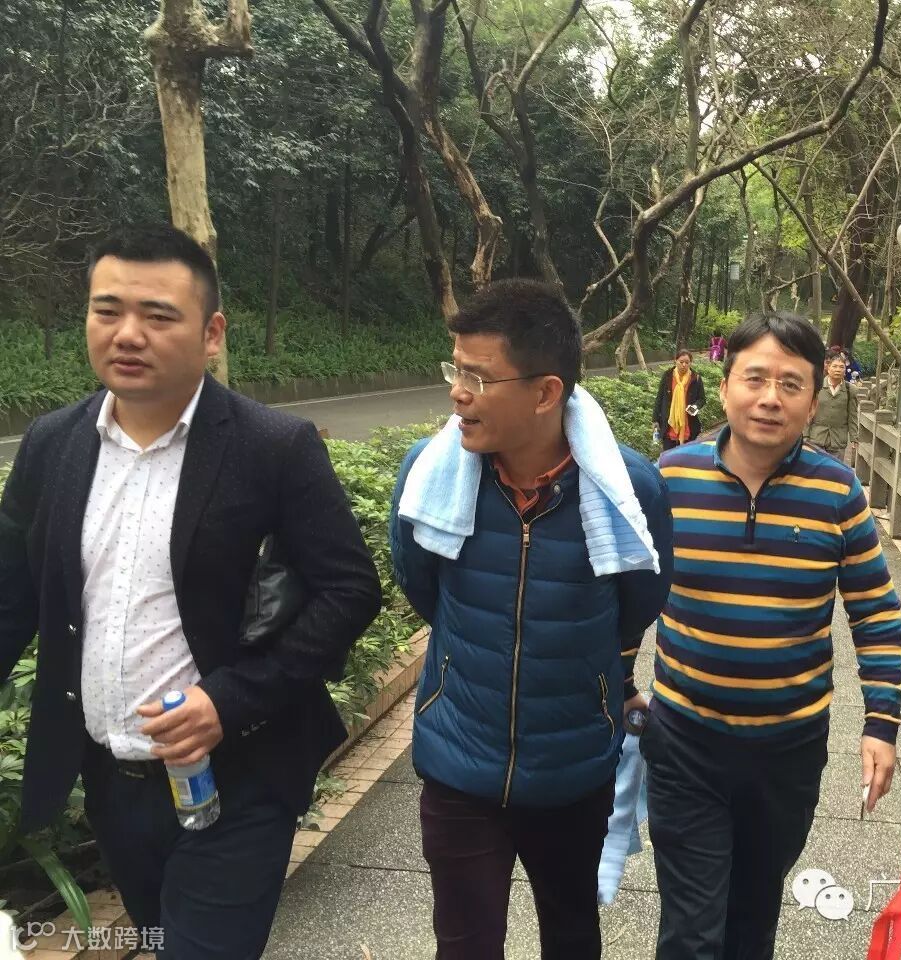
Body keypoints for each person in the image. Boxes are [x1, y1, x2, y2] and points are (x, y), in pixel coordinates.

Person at [0, 223, 383, 958]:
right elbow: (11, 598)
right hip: (109, 781)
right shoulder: (52, 444)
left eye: (158, 315)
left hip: (241, 777)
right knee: (162, 937)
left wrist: (228, 700)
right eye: (108, 310)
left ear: (211, 333)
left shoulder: (273, 447)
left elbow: (348, 590)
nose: (128, 334)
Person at [389, 279, 675, 960]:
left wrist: (591, 677)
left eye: (478, 377)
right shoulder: (429, 474)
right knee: (464, 946)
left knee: (572, 936)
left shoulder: (628, 489)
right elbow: (421, 583)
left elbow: (639, 604)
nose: (457, 393)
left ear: (546, 393)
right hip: (459, 759)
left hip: (573, 764)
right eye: (455, 370)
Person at [646, 311, 901, 960]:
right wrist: (617, 683)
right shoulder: (670, 478)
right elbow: (626, 589)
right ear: (724, 386)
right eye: (755, 378)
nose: (770, 398)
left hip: (788, 749)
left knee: (753, 918)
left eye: (791, 384)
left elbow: (875, 612)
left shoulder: (837, 491)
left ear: (813, 401)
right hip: (685, 741)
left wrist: (881, 722)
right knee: (690, 931)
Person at [806, 350, 858, 464]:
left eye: (841, 367)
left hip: (838, 439)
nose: (838, 369)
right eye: (834, 366)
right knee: (815, 470)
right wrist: (805, 435)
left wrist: (854, 438)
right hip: (816, 437)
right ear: (828, 368)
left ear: (845, 370)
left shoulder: (850, 390)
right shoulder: (816, 387)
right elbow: (807, 412)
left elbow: (852, 415)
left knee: (834, 471)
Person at [653, 349, 706, 451]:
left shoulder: (696, 378)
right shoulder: (668, 376)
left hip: (688, 424)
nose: (684, 365)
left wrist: (695, 407)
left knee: (686, 456)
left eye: (687, 362)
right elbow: (659, 397)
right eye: (681, 362)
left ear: (690, 363)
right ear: (675, 361)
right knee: (669, 456)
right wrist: (655, 419)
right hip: (669, 424)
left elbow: (702, 399)